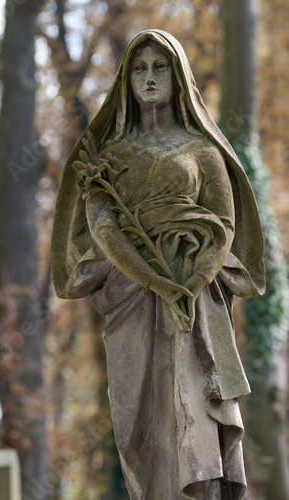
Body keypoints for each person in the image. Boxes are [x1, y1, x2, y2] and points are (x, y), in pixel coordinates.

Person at [51, 29, 265, 500]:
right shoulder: (107, 159)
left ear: (178, 76)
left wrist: (190, 282)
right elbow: (105, 231)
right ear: (126, 81)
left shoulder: (203, 152)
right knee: (137, 430)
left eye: (160, 67)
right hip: (131, 300)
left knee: (196, 418)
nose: (149, 79)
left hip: (195, 304)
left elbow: (223, 225)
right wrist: (159, 284)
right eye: (140, 70)